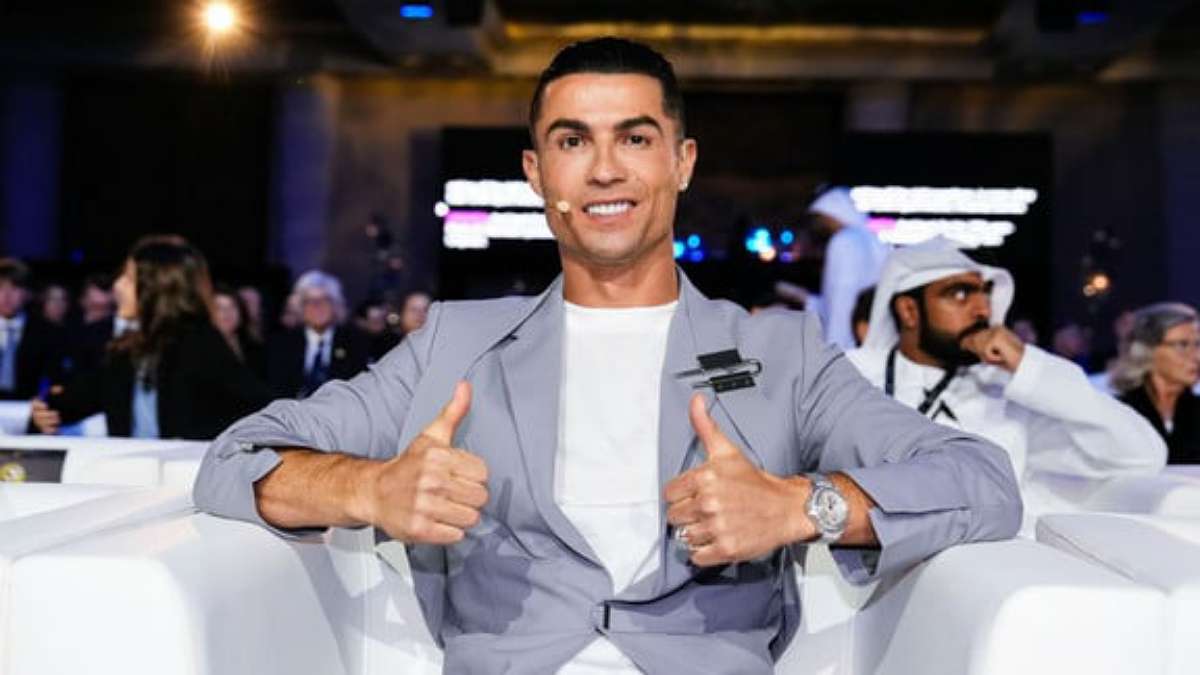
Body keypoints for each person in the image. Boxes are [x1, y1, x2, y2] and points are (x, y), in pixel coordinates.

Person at [193, 38, 1020, 674]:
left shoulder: (779, 351)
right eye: (572, 140)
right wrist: (372, 488)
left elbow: (982, 481)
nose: (604, 169)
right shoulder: (456, 342)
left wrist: (803, 505)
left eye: (635, 137)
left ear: (681, 161)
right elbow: (235, 459)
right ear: (535, 172)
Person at [845, 238, 1165, 531]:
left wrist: (1028, 365)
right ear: (909, 311)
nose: (983, 309)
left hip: (988, 564)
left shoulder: (1006, 396)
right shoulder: (850, 378)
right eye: (959, 294)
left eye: (985, 292)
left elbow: (1142, 455)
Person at [29, 236, 273, 440]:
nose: (117, 286)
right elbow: (86, 395)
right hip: (130, 475)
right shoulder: (127, 348)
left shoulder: (200, 343)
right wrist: (47, 411)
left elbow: (258, 407)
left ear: (155, 288)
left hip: (184, 478)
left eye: (128, 279)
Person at [1112, 303, 1200, 463]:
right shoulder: (1119, 414)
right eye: (1182, 345)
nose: (1197, 356)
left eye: (1198, 345)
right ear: (1147, 350)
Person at [804, 187, 890, 349]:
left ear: (833, 213)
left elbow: (841, 299)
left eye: (821, 217)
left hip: (847, 343)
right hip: (875, 339)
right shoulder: (876, 241)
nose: (820, 223)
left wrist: (834, 347)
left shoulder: (843, 241)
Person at [265, 270, 370, 399]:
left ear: (335, 305)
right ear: (300, 307)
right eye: (310, 301)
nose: (317, 306)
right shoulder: (282, 344)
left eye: (324, 300)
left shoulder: (354, 342)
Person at [0, 258, 70, 400]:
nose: (6, 295)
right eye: (0, 287)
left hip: (29, 406)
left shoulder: (47, 332)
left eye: (14, 288)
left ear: (27, 293)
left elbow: (55, 378)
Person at [213, 284, 265, 376]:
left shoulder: (254, 348)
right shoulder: (202, 350)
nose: (227, 312)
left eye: (233, 306)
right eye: (219, 307)